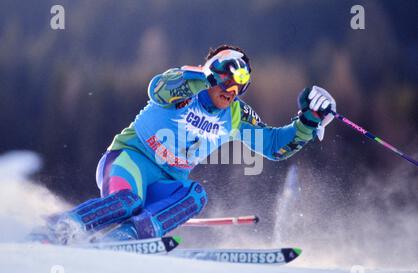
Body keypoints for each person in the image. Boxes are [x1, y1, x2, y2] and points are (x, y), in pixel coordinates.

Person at [46, 44, 337, 244]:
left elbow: (274, 146)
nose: (233, 91)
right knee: (128, 202)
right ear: (214, 72)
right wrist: (203, 78)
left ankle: (124, 238)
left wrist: (308, 122)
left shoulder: (236, 114)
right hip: (129, 161)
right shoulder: (187, 88)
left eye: (242, 85)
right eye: (228, 80)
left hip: (166, 183)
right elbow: (158, 89)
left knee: (196, 195)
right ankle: (57, 228)